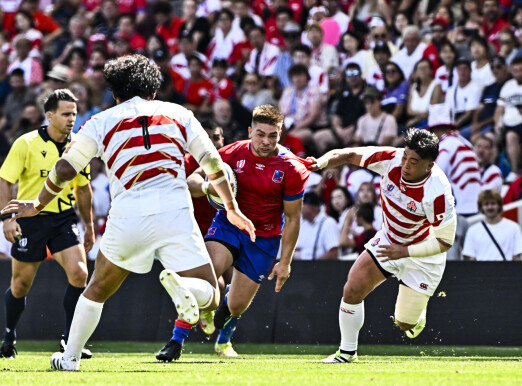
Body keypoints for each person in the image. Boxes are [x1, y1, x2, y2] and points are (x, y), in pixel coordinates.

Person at [0, 54, 255, 371]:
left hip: (127, 216)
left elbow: (65, 169)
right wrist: (231, 208)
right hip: (174, 212)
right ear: (153, 90)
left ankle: (69, 359)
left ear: (115, 92)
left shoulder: (100, 121)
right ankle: (186, 289)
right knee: (214, 296)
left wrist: (36, 204)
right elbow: (214, 165)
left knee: (96, 290)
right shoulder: (180, 114)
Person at [156, 104, 310, 359]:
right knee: (207, 273)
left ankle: (217, 321)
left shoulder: (292, 168)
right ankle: (175, 342)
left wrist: (285, 262)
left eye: (273, 135)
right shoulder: (230, 153)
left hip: (263, 240)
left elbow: (293, 219)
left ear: (280, 135)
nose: (266, 141)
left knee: (235, 308)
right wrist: (208, 187)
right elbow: (191, 180)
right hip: (229, 226)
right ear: (250, 131)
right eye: (260, 134)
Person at [307, 128, 456, 363]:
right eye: (405, 156)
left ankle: (417, 314)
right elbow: (348, 154)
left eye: (413, 162)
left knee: (404, 322)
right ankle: (347, 353)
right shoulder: (391, 158)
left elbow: (445, 241)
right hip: (389, 239)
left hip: (423, 253)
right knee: (352, 288)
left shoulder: (438, 193)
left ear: (428, 166)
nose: (405, 164)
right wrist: (321, 162)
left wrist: (404, 251)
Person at [0, 89, 94, 359]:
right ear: (49, 115)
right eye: (65, 114)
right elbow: (4, 180)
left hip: (64, 218)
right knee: (20, 285)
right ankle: (9, 335)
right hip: (31, 220)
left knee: (80, 274)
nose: (71, 119)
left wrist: (89, 226)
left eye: (74, 114)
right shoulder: (26, 143)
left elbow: (83, 188)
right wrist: (7, 218)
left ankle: (69, 341)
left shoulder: (79, 146)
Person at [428, 104, 481, 261]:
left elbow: (434, 175)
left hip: (458, 210)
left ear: (437, 131)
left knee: (453, 263)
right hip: (475, 208)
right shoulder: (466, 142)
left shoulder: (445, 146)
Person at [463, 190, 522, 261]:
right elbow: (469, 258)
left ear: (499, 206)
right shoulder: (472, 231)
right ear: (481, 207)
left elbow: (517, 257)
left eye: (493, 203)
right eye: (486, 204)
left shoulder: (514, 227)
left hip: (507, 271)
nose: (490, 207)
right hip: (481, 271)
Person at [294, 192, 339, 260]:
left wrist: (314, 264)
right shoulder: (303, 224)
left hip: (322, 268)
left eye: (301, 205)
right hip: (302, 267)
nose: (299, 209)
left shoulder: (328, 223)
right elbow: (296, 249)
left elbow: (333, 253)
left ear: (311, 206)